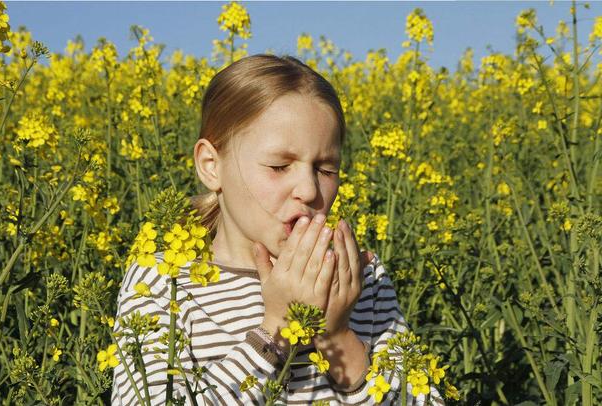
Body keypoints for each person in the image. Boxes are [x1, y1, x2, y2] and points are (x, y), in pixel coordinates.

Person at [111, 54, 444, 405]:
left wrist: (337, 337)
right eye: (279, 166)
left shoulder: (360, 279)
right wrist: (275, 331)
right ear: (212, 166)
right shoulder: (166, 281)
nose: (310, 190)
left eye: (326, 169)